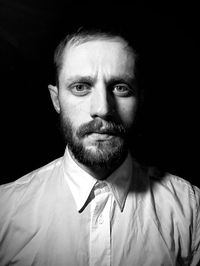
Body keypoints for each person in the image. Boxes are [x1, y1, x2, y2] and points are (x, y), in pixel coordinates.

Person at [0, 27, 200, 266]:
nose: (103, 108)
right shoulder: (5, 210)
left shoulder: (190, 208)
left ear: (140, 100)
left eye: (120, 88)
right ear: (56, 100)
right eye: (81, 87)